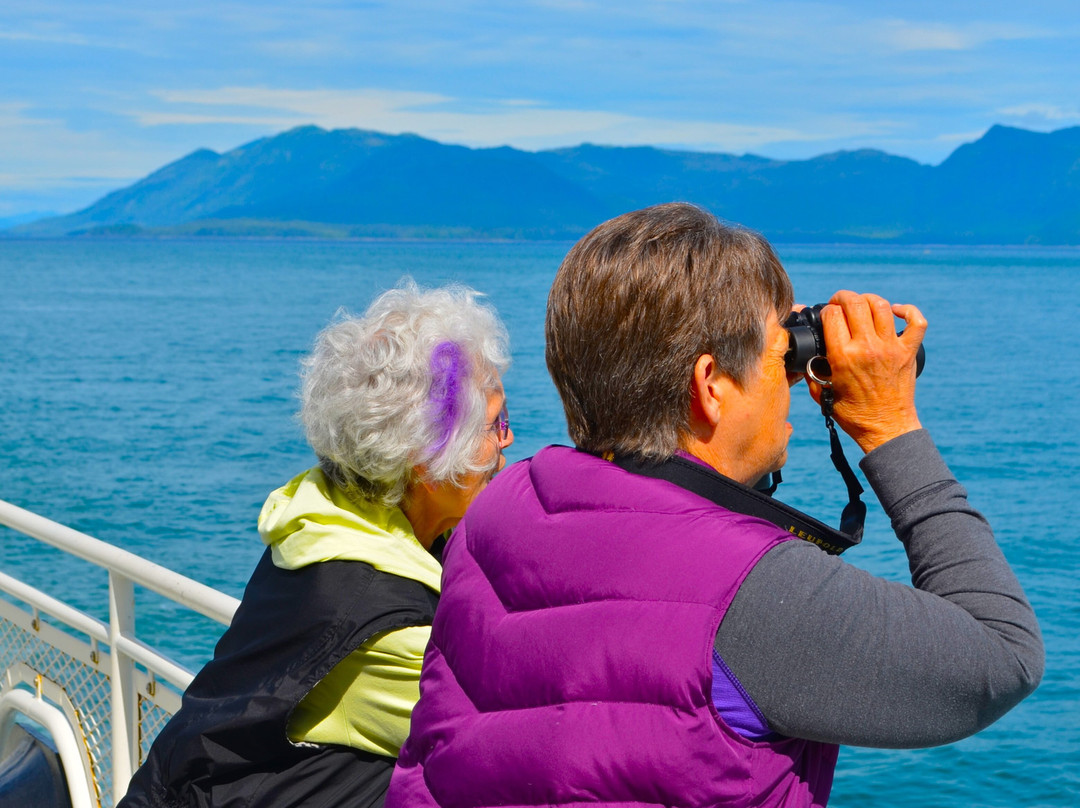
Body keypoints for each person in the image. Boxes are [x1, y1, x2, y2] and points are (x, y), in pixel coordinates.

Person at [387, 204, 1043, 807]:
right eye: (782, 357)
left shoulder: (503, 509)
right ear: (710, 386)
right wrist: (890, 426)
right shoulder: (757, 593)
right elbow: (1003, 657)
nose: (789, 385)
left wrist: (735, 446)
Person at [119, 282, 513, 808]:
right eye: (494, 426)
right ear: (425, 460)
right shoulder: (381, 618)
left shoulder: (325, 513)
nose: (507, 441)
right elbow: (499, 738)